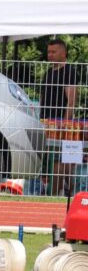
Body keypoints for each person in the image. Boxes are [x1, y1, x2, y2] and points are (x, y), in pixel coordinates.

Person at [39, 39, 80, 195]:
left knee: (59, 160)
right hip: (46, 122)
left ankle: (56, 194)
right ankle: (66, 190)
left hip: (61, 123)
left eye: (53, 52)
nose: (50, 55)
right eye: (48, 52)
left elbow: (71, 100)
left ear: (64, 53)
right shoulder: (49, 72)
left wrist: (65, 122)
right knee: (54, 159)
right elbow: (43, 98)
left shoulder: (69, 71)